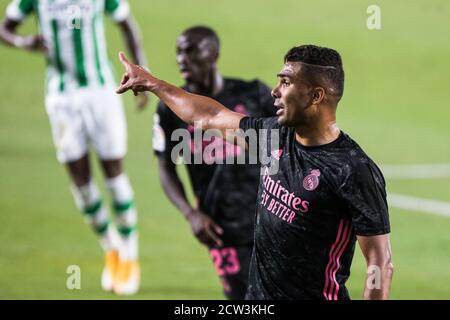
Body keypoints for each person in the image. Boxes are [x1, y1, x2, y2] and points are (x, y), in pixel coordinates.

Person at [117, 43, 394, 300]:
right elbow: (208, 117)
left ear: (315, 95)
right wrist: (153, 83)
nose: (275, 91)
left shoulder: (352, 170)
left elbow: (380, 263)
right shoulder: (274, 135)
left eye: (286, 82)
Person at [0, 0, 149, 295]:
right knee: (81, 183)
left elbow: (126, 23)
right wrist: (22, 41)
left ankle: (130, 255)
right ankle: (111, 248)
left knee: (114, 173)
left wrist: (142, 73)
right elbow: (4, 28)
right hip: (62, 100)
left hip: (102, 93)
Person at [152, 26, 276, 299]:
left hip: (271, 217)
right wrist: (190, 214)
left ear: (214, 54)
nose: (182, 58)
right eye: (179, 51)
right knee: (243, 298)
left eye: (192, 51)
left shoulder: (253, 94)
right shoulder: (171, 109)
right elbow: (165, 167)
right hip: (222, 228)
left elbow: (292, 137)